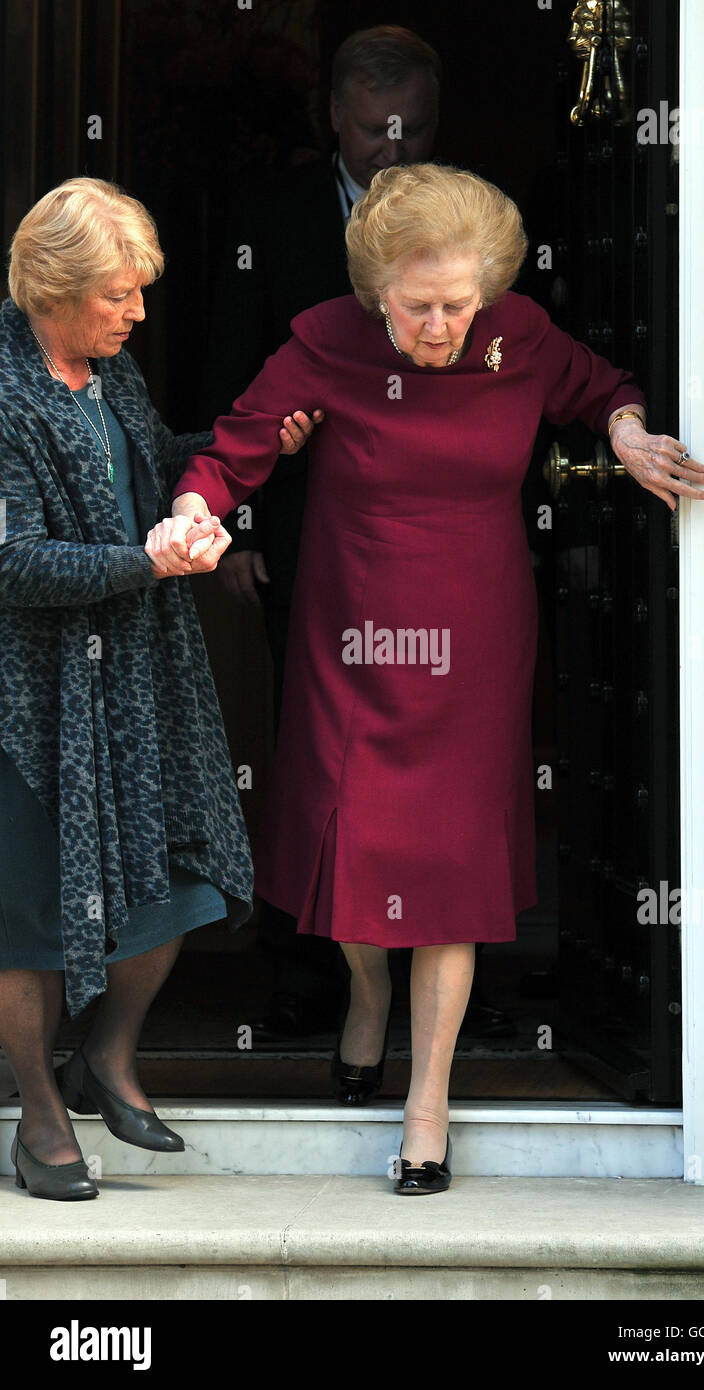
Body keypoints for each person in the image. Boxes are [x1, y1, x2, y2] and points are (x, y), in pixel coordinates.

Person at [173, 163, 704, 1195]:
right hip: (354, 625)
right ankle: (365, 992)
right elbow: (233, 451)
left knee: (448, 869)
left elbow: (605, 387)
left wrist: (629, 434)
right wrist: (199, 510)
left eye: (459, 304)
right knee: (355, 838)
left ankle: (427, 1104)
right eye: (418, 307)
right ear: (376, 293)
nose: (440, 327)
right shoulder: (323, 342)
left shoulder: (517, 335)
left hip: (475, 627)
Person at [0, 177, 306, 1201]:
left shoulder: (108, 372)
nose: (137, 312)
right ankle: (41, 1120)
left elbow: (152, 466)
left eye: (140, 291)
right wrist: (151, 562)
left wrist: (228, 464)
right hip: (31, 703)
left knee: (186, 873)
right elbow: (14, 565)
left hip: (138, 680)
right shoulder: (5, 395)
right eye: (118, 294)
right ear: (55, 288)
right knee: (32, 920)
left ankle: (107, 1056)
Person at [206, 25, 443, 1042]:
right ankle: (308, 973)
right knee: (315, 754)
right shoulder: (269, 216)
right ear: (330, 118)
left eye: (413, 128)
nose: (391, 147)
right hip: (305, 530)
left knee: (432, 758)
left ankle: (426, 967)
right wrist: (241, 521)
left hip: (444, 537)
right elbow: (230, 372)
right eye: (369, 128)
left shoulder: (471, 215)